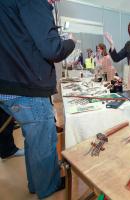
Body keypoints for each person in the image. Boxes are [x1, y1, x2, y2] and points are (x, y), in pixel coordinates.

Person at [0, 0, 75, 198]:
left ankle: (36, 184)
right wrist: (71, 42)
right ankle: (47, 188)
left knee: (33, 140)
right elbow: (53, 49)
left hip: (11, 83)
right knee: (44, 141)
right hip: (29, 86)